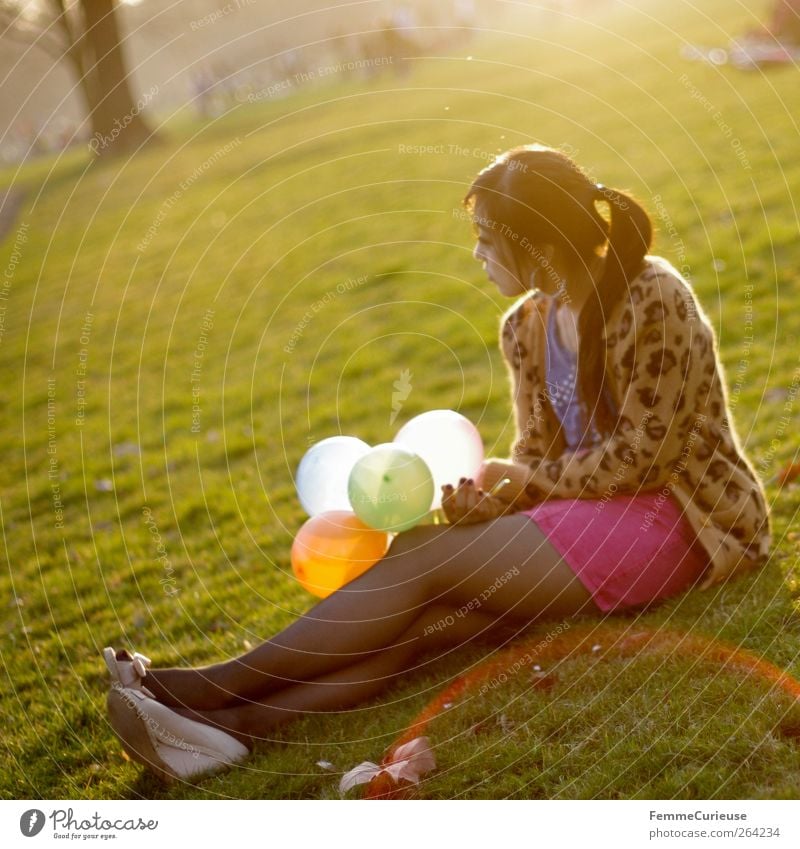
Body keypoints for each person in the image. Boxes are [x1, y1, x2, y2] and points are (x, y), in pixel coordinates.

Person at [104, 145, 771, 782]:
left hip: (686, 521)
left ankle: (193, 688)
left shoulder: (653, 296)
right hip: (587, 521)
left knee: (422, 554)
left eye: (486, 237)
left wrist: (530, 484)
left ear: (533, 244)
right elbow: (538, 454)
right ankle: (231, 729)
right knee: (433, 625)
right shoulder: (526, 326)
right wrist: (495, 503)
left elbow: (647, 456)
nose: (477, 253)